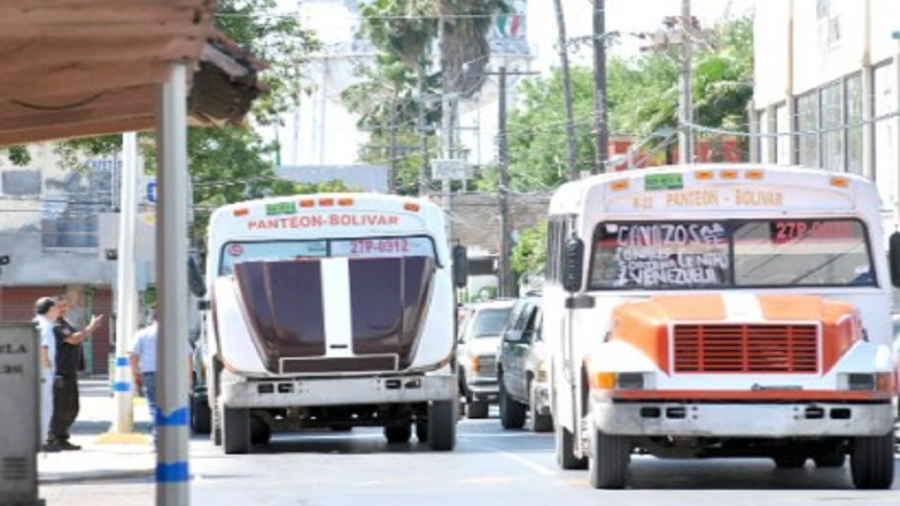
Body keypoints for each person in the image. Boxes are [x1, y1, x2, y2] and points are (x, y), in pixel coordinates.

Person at [48, 296, 104, 451]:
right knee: (62, 408)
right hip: (61, 373)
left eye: (65, 305)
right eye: (60, 306)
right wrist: (92, 327)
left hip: (69, 372)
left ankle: (61, 437)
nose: (64, 308)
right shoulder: (56, 325)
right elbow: (74, 339)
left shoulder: (64, 323)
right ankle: (55, 439)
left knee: (71, 407)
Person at [33, 296, 63, 452]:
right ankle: (42, 440)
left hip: (36, 372)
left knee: (38, 406)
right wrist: (49, 369)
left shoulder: (36, 322)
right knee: (45, 406)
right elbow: (43, 348)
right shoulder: (45, 326)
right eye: (57, 307)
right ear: (50, 310)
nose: (59, 310)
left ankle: (38, 439)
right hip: (43, 373)